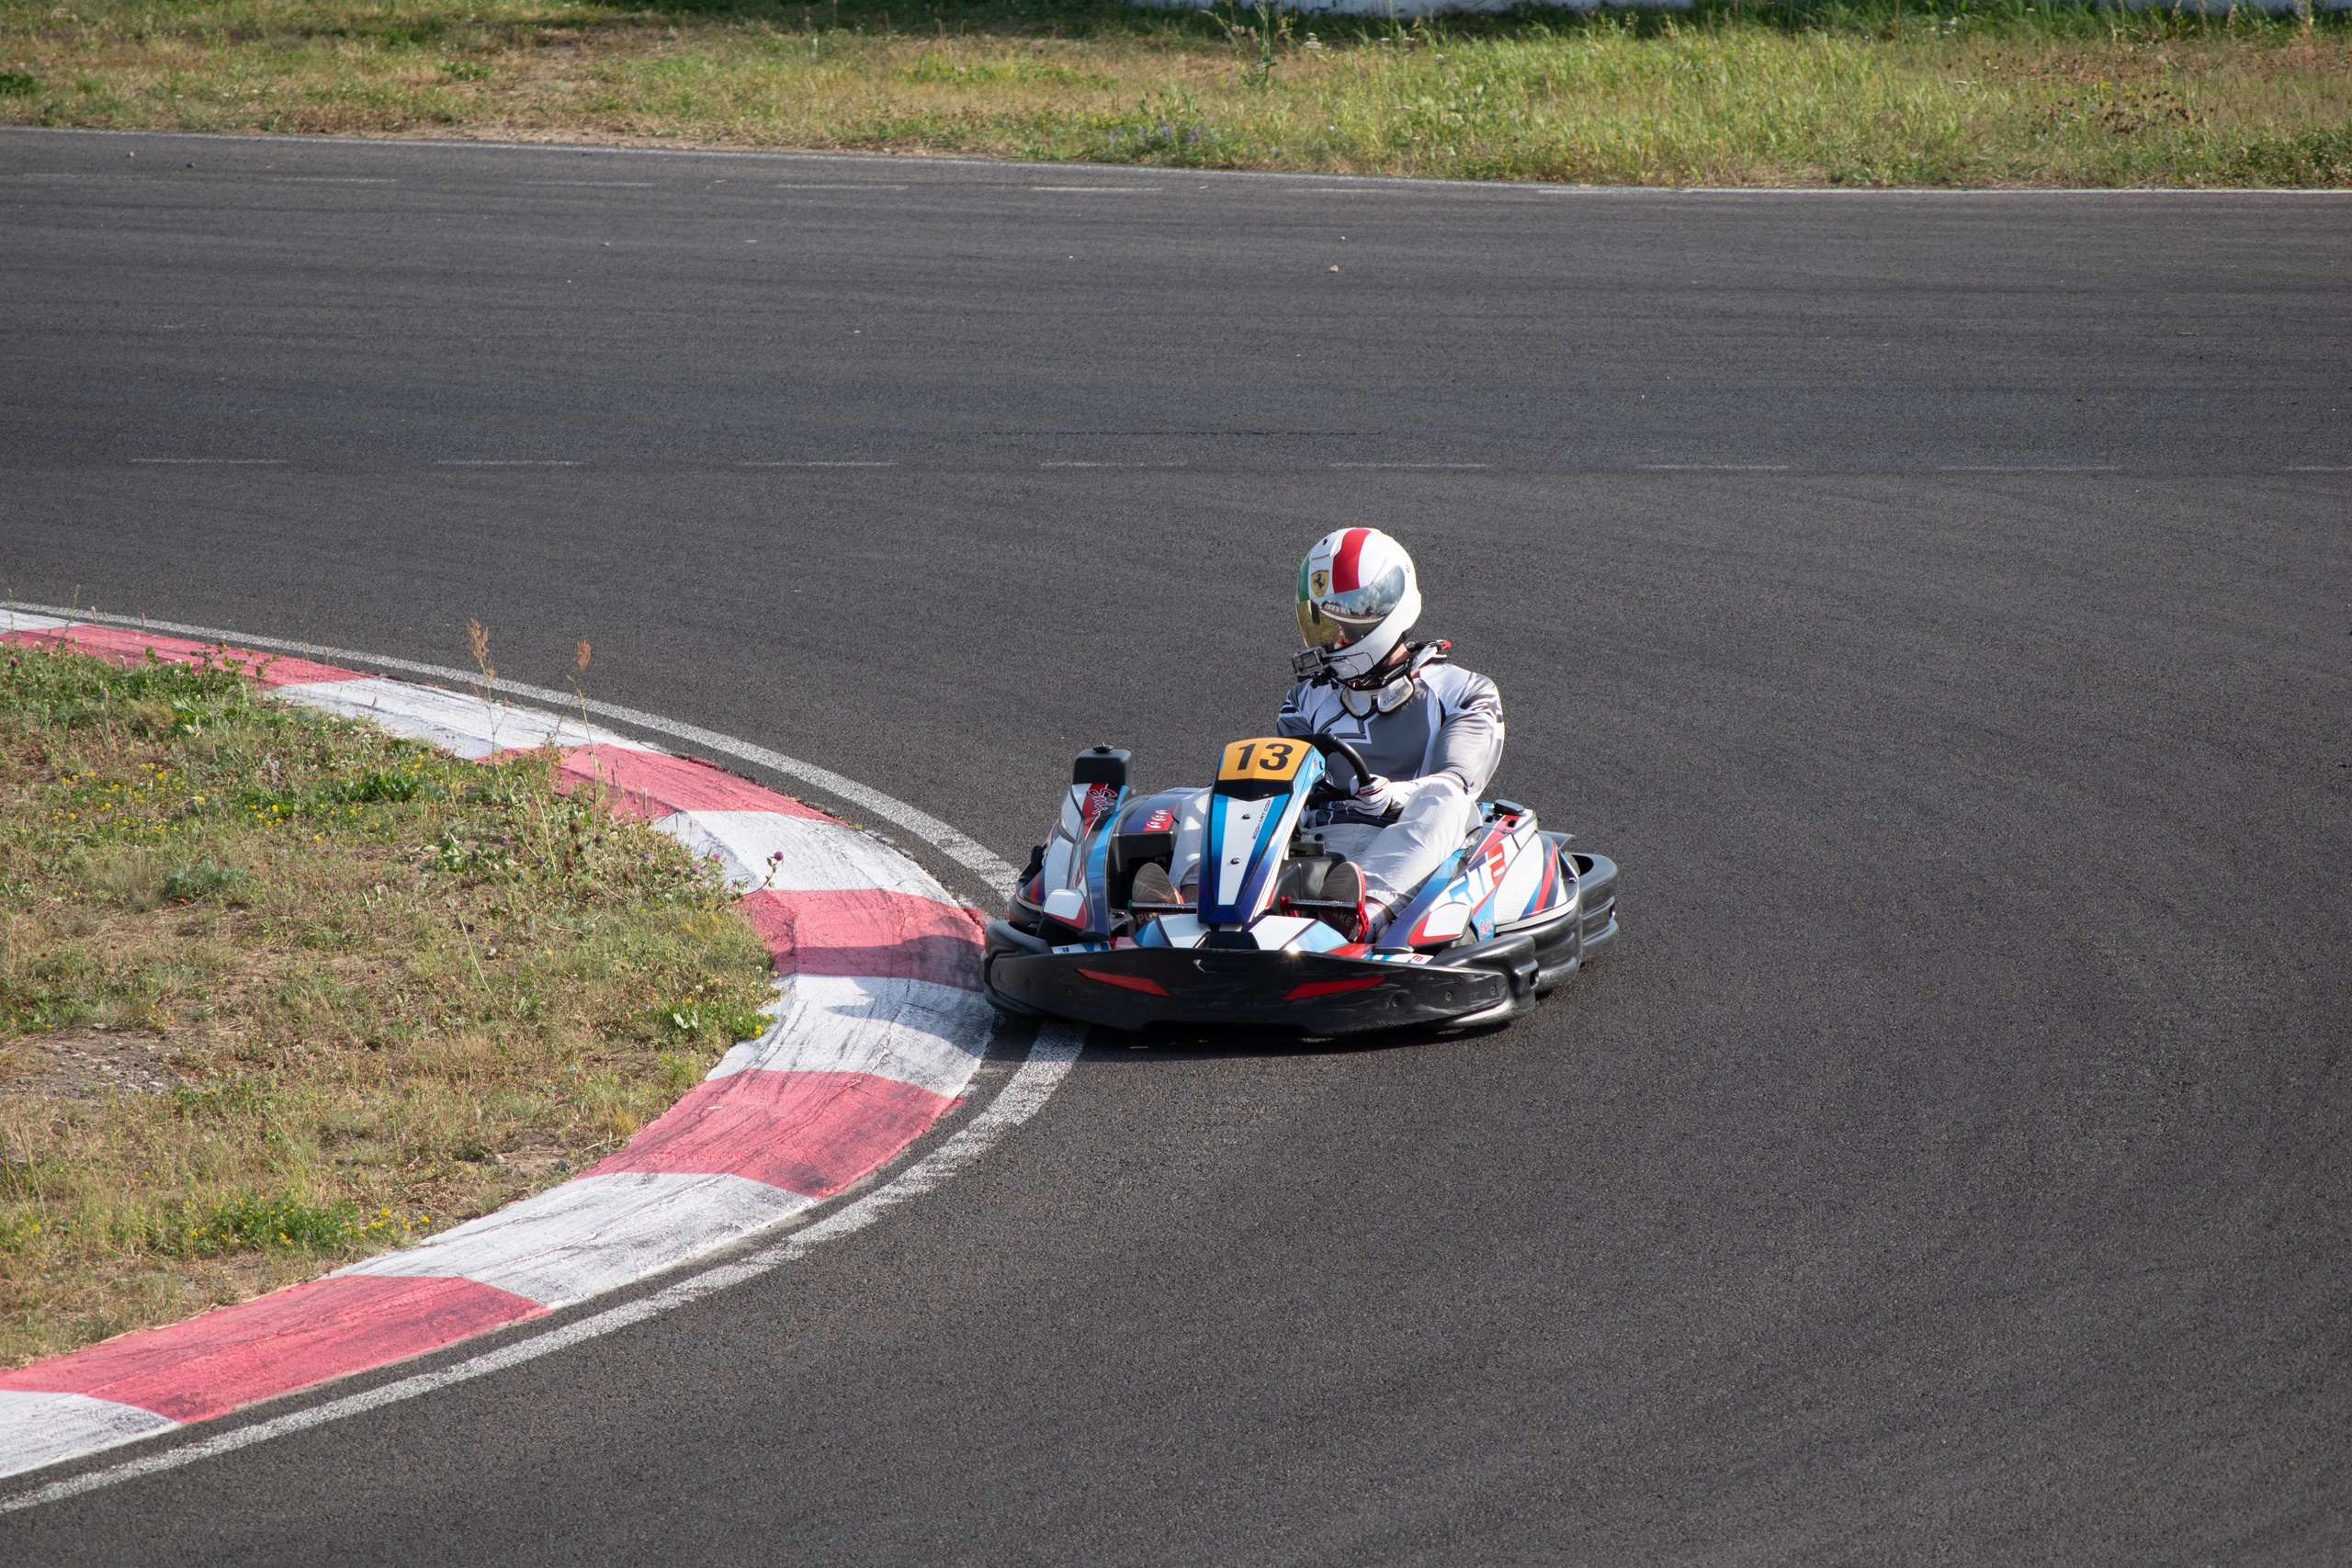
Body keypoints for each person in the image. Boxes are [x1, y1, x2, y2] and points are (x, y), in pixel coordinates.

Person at [1131, 527, 1504, 942]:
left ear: (1381, 610)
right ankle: (1190, 905)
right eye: (1320, 622)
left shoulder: (1464, 691)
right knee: (1208, 799)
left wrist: (1391, 795)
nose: (1330, 639)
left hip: (1406, 837)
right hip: (1318, 839)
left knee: (1447, 802)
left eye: (1340, 620)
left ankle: (1362, 914)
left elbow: (1459, 782)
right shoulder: (1306, 698)